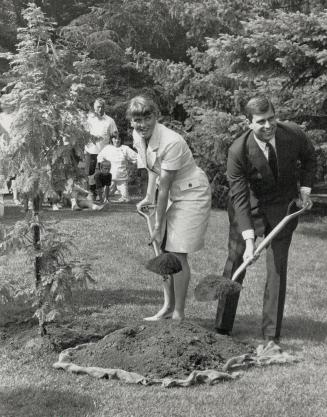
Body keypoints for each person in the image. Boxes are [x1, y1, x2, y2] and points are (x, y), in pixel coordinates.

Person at [215, 95, 316, 343]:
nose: (269, 125)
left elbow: (310, 159)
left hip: (283, 207)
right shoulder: (238, 151)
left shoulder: (292, 133)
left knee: (277, 268)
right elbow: (239, 197)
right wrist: (250, 242)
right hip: (248, 208)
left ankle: (271, 334)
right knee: (236, 260)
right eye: (261, 121)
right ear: (249, 122)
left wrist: (304, 191)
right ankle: (222, 327)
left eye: (271, 118)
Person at [128, 95, 211, 322]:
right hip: (174, 192)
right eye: (137, 119)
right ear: (131, 121)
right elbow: (152, 169)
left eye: (147, 117)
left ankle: (179, 315)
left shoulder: (171, 142)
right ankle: (167, 307)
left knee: (177, 252)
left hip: (193, 194)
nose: (142, 124)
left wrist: (157, 225)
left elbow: (163, 189)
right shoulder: (138, 136)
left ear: (156, 116)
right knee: (164, 254)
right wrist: (147, 196)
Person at [85, 98, 118, 199]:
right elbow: (82, 133)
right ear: (94, 107)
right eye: (98, 107)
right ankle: (92, 192)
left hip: (104, 152)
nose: (100, 109)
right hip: (90, 151)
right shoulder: (88, 118)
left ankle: (102, 194)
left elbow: (115, 134)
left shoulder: (110, 120)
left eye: (102, 107)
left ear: (105, 107)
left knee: (103, 174)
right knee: (90, 173)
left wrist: (114, 145)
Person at [97, 131, 138, 202]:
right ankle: (113, 195)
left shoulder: (125, 148)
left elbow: (136, 158)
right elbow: (99, 158)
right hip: (110, 179)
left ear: (121, 140)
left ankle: (117, 195)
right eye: (115, 139)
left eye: (119, 139)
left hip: (122, 179)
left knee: (126, 199)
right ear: (112, 139)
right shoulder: (107, 148)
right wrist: (103, 169)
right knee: (103, 197)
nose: (117, 140)